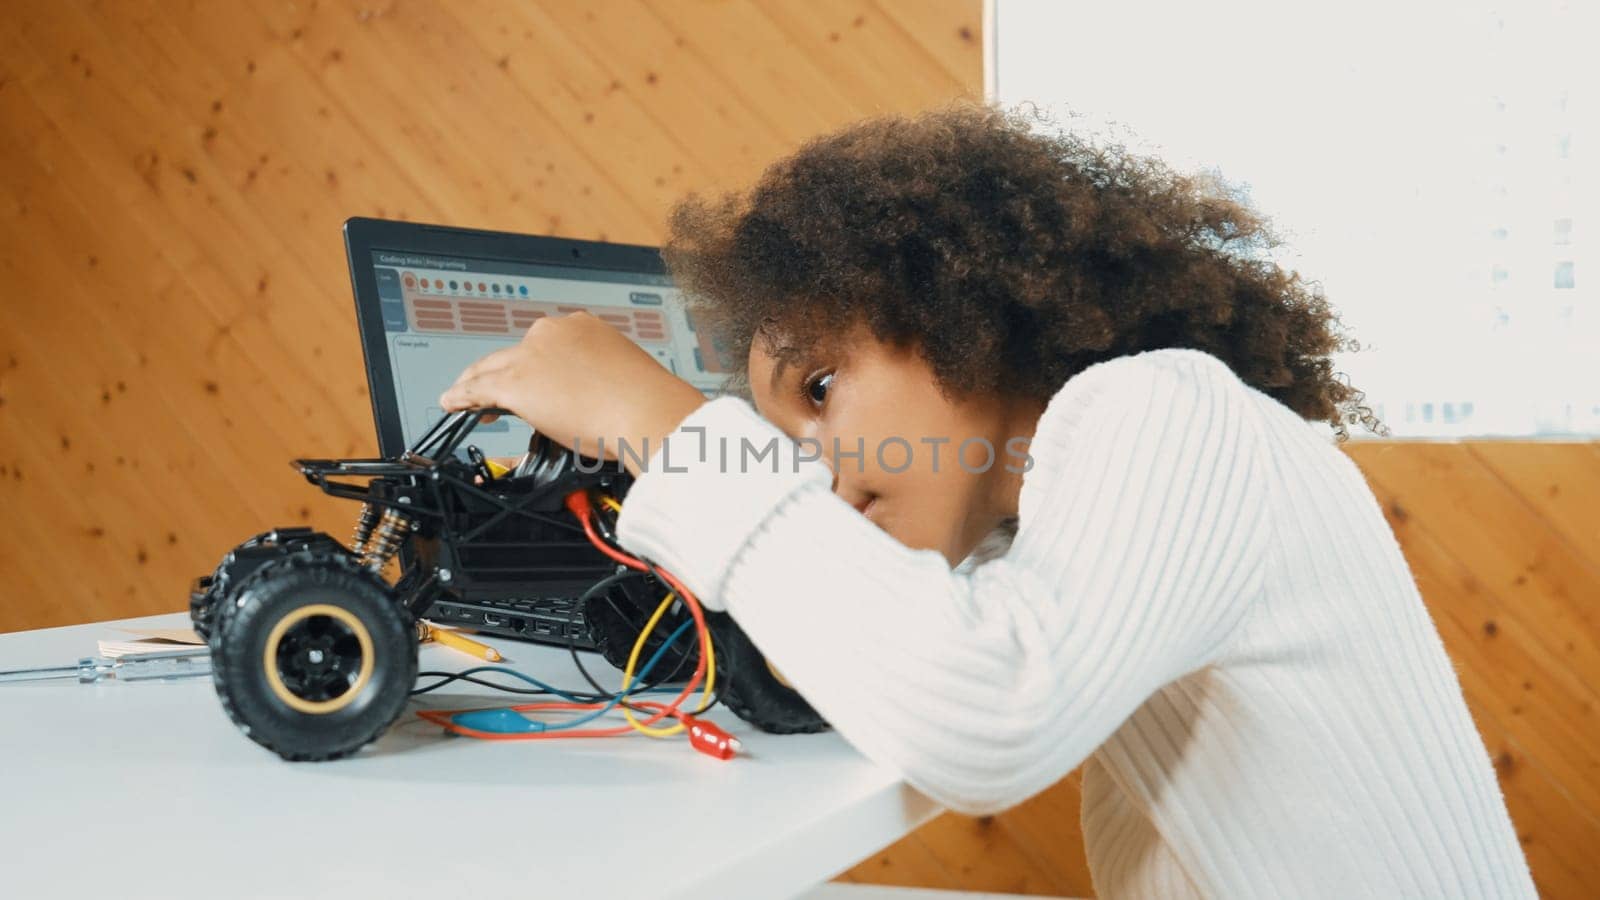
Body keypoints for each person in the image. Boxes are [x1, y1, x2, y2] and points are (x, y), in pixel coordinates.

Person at [439, 102, 1536, 898]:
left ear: (958, 306)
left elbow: (990, 713)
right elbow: (922, 643)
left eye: (821, 389)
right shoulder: (1035, 520)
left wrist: (663, 429)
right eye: (785, 440)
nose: (813, 464)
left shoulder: (1168, 407)